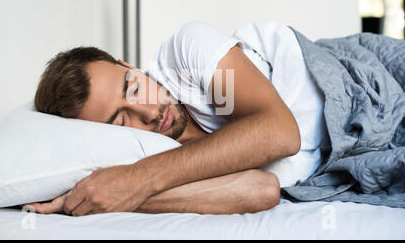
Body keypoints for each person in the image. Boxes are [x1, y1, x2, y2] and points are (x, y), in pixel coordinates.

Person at [30, 21, 328, 216]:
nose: (149, 112)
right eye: (121, 122)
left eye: (134, 87)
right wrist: (116, 195)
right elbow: (261, 189)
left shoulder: (185, 52)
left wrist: (138, 180)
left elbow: (281, 134)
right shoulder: (133, 156)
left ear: (128, 65)